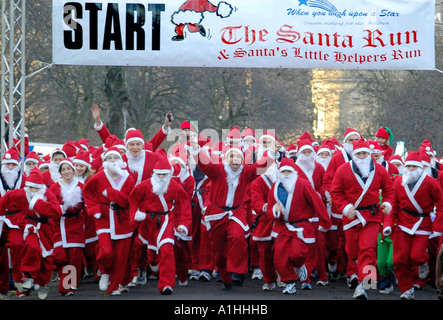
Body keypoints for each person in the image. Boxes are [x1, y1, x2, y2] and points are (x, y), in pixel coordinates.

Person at [187, 137, 275, 290]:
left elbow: (261, 166)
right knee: (220, 252)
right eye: (232, 157)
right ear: (226, 159)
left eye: (238, 157)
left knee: (238, 238)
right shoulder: (217, 170)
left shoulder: (246, 171)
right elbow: (204, 163)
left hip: (236, 213)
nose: (235, 160)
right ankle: (226, 279)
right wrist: (196, 148)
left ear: (242, 160)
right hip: (217, 214)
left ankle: (237, 272)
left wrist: (273, 152)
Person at [330, 138, 395, 299]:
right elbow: (335, 193)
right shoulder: (343, 170)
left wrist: (387, 203)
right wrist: (345, 208)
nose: (362, 156)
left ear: (369, 154)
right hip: (351, 216)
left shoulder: (379, 170)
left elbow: (389, 190)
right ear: (354, 154)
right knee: (352, 251)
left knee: (368, 248)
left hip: (371, 215)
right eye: (358, 154)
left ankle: (363, 284)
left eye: (365, 153)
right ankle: (361, 275)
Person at [383, 151, 443, 300]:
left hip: (423, 224)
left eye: (414, 166)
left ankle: (423, 262)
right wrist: (389, 224)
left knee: (417, 256)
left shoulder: (430, 182)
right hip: (403, 224)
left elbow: (441, 204)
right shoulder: (398, 182)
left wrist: (437, 227)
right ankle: (406, 289)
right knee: (400, 259)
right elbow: (394, 205)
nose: (410, 169)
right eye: (408, 166)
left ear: (420, 168)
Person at [267, 158, 331, 294]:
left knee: (297, 253)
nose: (285, 174)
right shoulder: (275, 187)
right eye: (283, 171)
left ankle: (300, 265)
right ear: (279, 172)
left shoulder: (303, 184)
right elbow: (270, 208)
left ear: (294, 172)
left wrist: (325, 221)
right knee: (280, 257)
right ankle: (289, 282)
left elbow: (316, 202)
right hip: (281, 227)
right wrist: (275, 211)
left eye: (288, 171)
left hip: (300, 227)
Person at [129, 156, 192, 294]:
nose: (162, 177)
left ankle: (166, 284)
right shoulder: (144, 186)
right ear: (154, 173)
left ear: (170, 174)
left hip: (166, 220)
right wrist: (136, 214)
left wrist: (183, 224)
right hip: (147, 221)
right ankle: (142, 267)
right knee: (144, 251)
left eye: (165, 174)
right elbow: (132, 200)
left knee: (167, 249)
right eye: (159, 174)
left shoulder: (174, 186)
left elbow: (184, 205)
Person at [0, 167, 62, 299]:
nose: (33, 191)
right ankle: (28, 276)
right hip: (29, 226)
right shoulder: (20, 193)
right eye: (31, 188)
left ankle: (43, 283)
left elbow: (57, 211)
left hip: (45, 228)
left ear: (41, 187)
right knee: (31, 247)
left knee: (46, 258)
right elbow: (6, 199)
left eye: (36, 188)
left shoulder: (48, 194)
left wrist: (38, 203)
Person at [83, 147, 135, 296]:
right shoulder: (99, 177)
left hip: (122, 221)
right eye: (109, 158)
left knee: (121, 257)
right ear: (104, 161)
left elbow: (128, 201)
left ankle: (115, 286)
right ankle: (104, 271)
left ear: (121, 161)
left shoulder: (128, 178)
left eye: (116, 158)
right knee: (106, 251)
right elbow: (87, 192)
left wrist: (112, 194)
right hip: (103, 219)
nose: (113, 161)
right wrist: (94, 209)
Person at [323, 128, 361, 284]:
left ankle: (364, 277)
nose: (353, 143)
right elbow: (328, 180)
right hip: (343, 207)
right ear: (345, 143)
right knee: (346, 241)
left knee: (365, 244)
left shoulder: (366, 158)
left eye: (356, 140)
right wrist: (333, 196)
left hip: (364, 209)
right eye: (350, 140)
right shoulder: (338, 158)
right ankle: (348, 270)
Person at [293, 139, 327, 289]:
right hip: (302, 212)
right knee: (304, 244)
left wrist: (319, 195)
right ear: (299, 154)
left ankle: (319, 275)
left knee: (317, 244)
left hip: (318, 211)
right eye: (304, 153)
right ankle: (304, 275)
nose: (307, 155)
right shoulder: (293, 169)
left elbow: (324, 184)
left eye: (309, 152)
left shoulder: (319, 168)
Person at [50, 158, 85, 296]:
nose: (66, 172)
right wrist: (57, 209)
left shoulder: (80, 185)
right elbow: (50, 204)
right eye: (63, 169)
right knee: (59, 257)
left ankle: (68, 286)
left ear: (73, 170)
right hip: (59, 225)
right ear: (60, 172)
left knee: (74, 257)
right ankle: (54, 273)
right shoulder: (54, 187)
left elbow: (87, 204)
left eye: (68, 168)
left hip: (75, 225)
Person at [0, 148, 26, 298]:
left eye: (13, 165)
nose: (10, 168)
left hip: (16, 220)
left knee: (18, 246)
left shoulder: (24, 180)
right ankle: (2, 288)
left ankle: (18, 280)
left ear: (18, 166)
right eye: (7, 164)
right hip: (0, 218)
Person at [250, 162, 279, 291]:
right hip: (265, 221)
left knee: (282, 251)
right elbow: (256, 202)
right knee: (265, 254)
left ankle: (283, 276)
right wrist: (268, 207)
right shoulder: (257, 182)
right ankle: (269, 279)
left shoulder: (285, 177)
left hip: (282, 221)